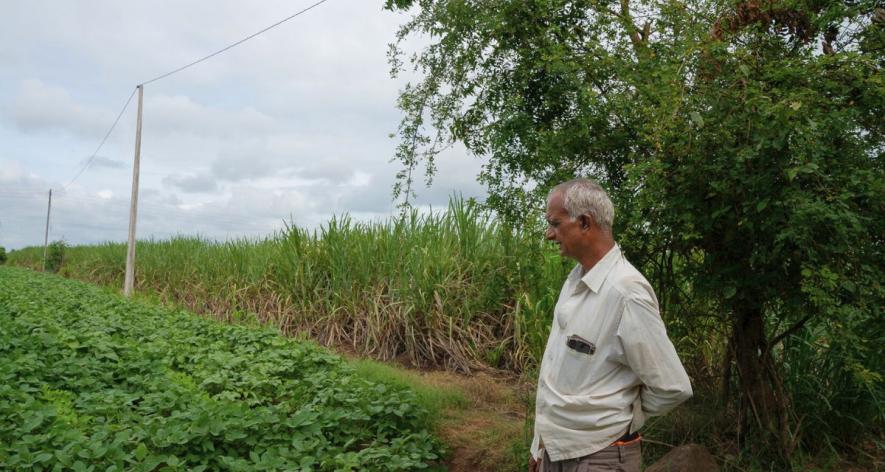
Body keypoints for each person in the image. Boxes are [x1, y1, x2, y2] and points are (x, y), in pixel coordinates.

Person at [529, 178, 692, 472]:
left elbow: (672, 386)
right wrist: (539, 446)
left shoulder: (626, 292)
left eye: (555, 223)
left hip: (600, 457)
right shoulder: (576, 280)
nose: (549, 234)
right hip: (556, 450)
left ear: (584, 223)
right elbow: (556, 370)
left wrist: (619, 417)